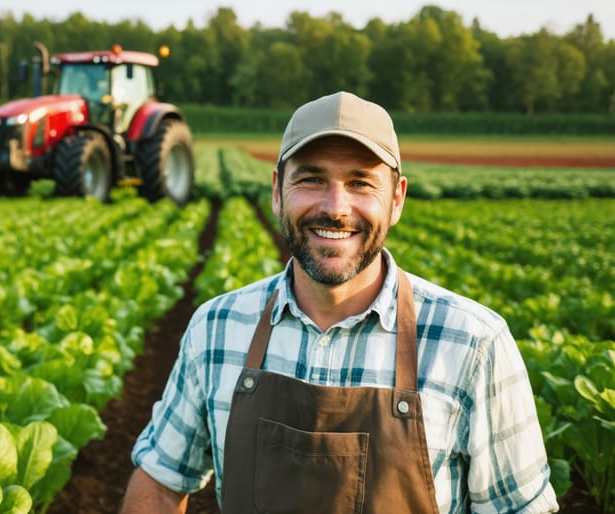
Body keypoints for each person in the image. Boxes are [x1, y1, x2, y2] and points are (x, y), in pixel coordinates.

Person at [120, 91, 559, 513]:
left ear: (397, 199)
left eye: (361, 183)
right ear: (277, 191)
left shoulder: (473, 343)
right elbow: (160, 480)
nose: (336, 207)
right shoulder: (217, 327)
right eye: (311, 179)